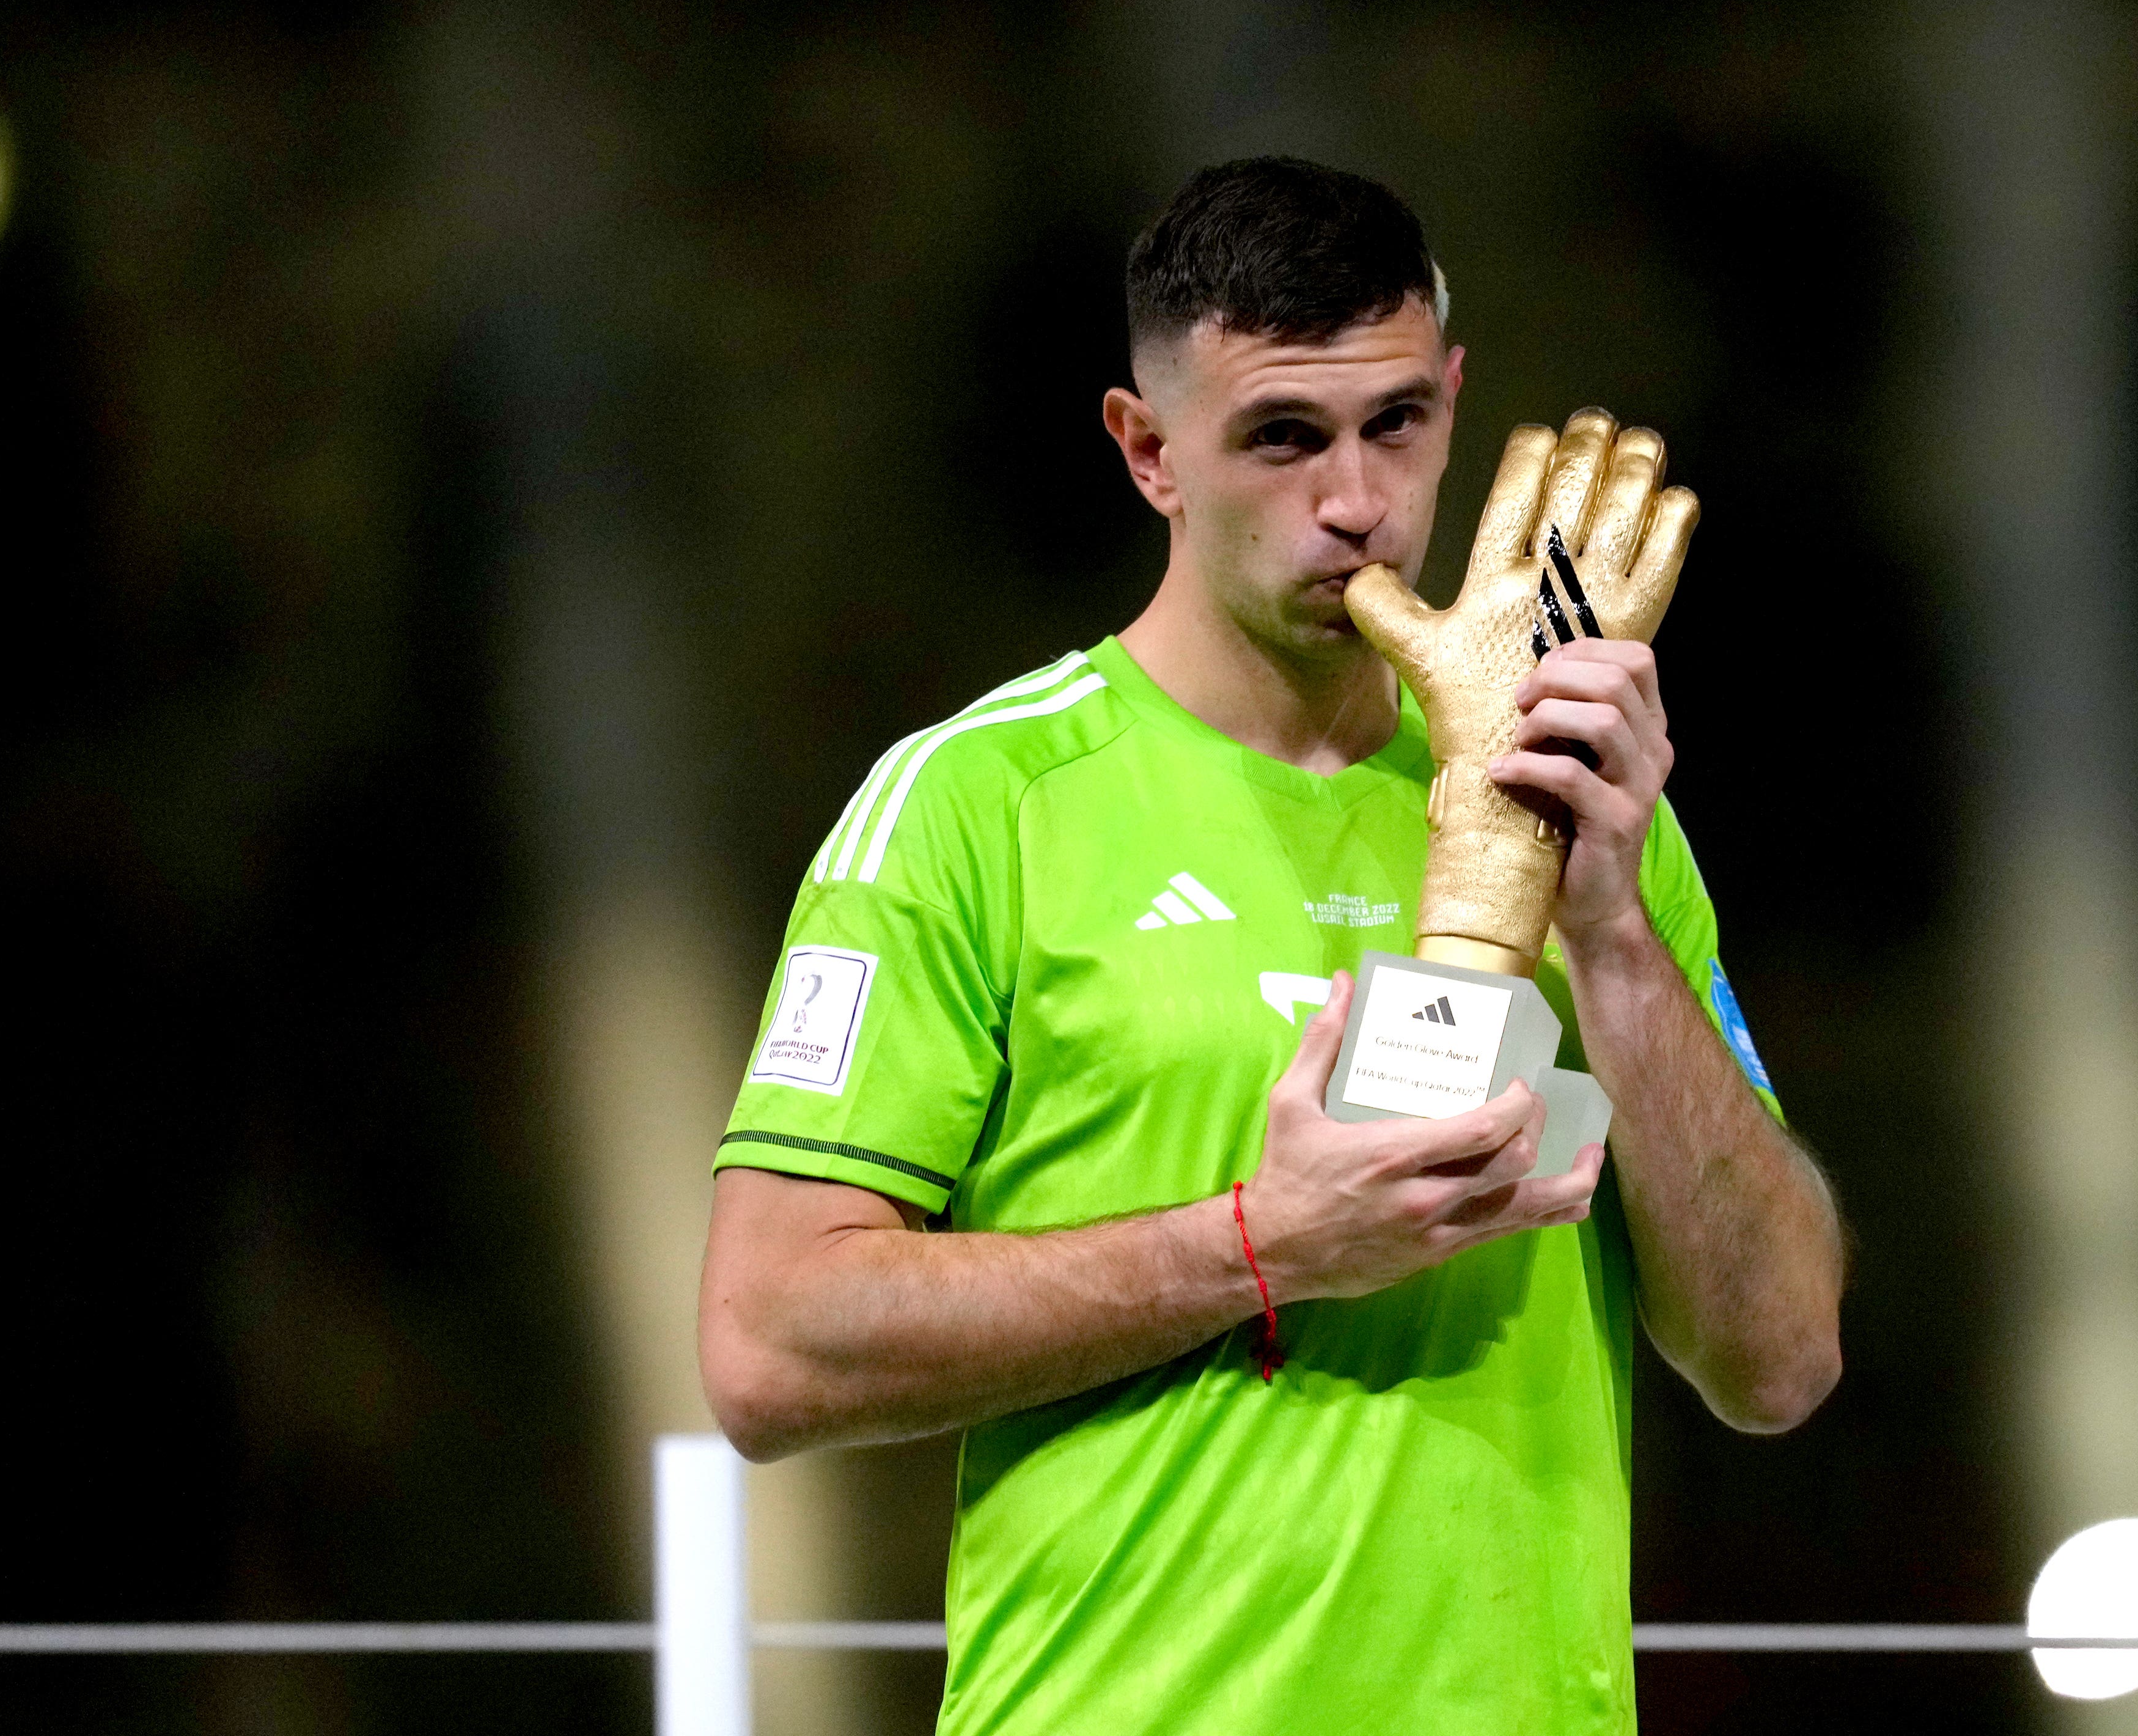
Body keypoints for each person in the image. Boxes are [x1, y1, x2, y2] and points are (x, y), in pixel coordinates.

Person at [699, 156, 1845, 1735]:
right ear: (1148, 451)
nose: (1358, 503)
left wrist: (1613, 928)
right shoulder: (978, 807)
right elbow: (766, 1346)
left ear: (1455, 398)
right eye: (1284, 439)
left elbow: (1780, 1359)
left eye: (1397, 425)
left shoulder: (1582, 805)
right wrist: (1259, 1246)